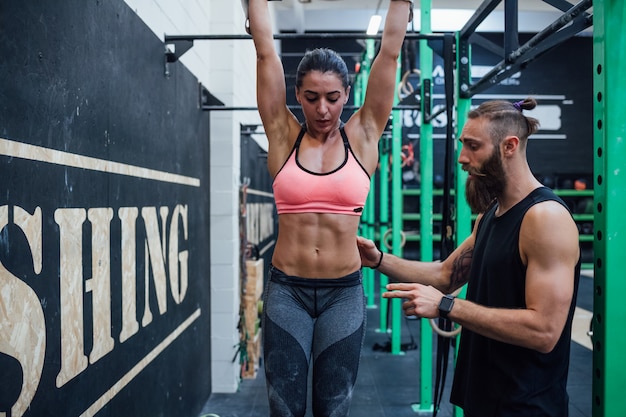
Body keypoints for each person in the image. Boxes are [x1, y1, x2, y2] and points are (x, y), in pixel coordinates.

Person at [357, 98, 581, 416]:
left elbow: (544, 331)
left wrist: (446, 306)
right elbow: (446, 275)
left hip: (526, 406)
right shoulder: (490, 214)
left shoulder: (545, 219)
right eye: (463, 145)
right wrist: (378, 259)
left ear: (509, 146)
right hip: (485, 398)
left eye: (473, 147)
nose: (462, 158)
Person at [246, 0, 412, 415]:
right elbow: (265, 48)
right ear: (297, 94)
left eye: (334, 98)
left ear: (347, 95)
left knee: (333, 409)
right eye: (312, 97)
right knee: (284, 409)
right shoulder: (283, 135)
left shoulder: (365, 134)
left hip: (343, 295)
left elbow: (389, 51)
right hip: (288, 291)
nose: (323, 109)